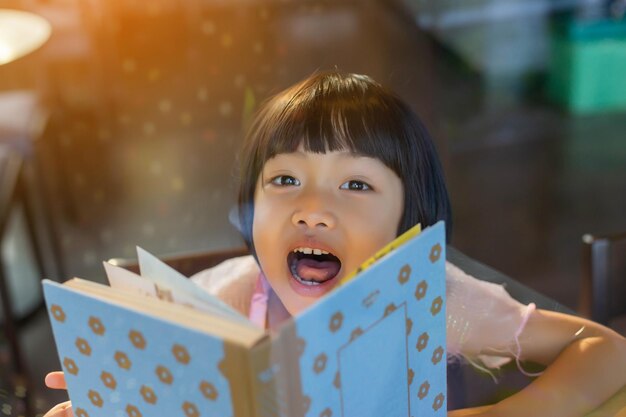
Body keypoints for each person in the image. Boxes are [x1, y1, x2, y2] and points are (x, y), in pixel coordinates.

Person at [44, 72, 626, 416]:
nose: (314, 209)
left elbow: (605, 351)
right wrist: (116, 397)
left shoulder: (430, 301)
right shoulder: (224, 300)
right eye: (285, 180)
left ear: (406, 220)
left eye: (356, 184)